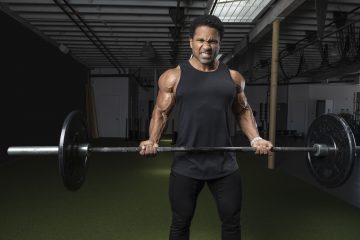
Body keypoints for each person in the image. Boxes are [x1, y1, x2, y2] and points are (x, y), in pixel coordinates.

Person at [139, 15, 273, 240]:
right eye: (201, 40)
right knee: (180, 223)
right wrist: (152, 140)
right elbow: (161, 113)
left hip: (224, 164)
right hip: (186, 163)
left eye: (212, 41)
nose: (206, 46)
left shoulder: (233, 78)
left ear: (219, 43)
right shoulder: (174, 76)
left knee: (231, 223)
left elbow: (242, 111)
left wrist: (256, 139)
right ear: (191, 42)